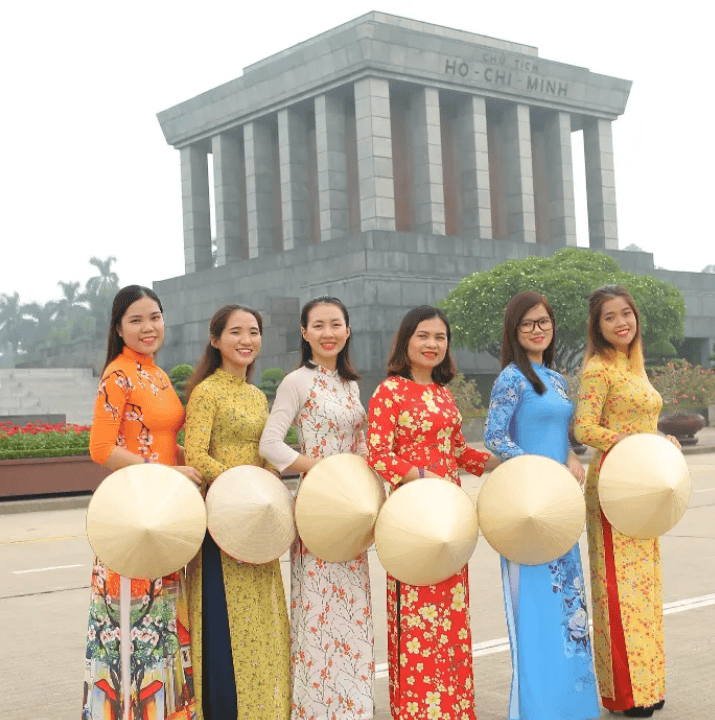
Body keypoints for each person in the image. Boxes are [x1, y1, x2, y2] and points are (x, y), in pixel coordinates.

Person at [366, 305, 500, 720]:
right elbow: (378, 454)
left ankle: (454, 707)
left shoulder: (442, 393)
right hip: (412, 517)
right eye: (423, 336)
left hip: (450, 516)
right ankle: (420, 710)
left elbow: (457, 451)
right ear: (406, 340)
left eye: (440, 337)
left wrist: (496, 462)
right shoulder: (389, 391)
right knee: (417, 613)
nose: (432, 344)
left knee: (451, 612)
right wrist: (420, 475)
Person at [83, 284, 203, 720]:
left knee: (163, 624)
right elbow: (100, 448)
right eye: (136, 320)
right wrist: (167, 473)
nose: (148, 327)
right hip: (134, 515)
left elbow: (167, 441)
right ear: (118, 328)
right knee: (133, 626)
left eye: (154, 317)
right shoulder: (118, 374)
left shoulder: (157, 373)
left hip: (165, 513)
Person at [483, 291, 600, 720]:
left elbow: (563, 435)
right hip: (527, 508)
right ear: (515, 332)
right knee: (534, 609)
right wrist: (537, 468)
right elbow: (496, 438)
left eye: (544, 322)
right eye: (529, 323)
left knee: (569, 605)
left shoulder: (556, 379)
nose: (538, 329)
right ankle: (537, 709)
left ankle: (572, 705)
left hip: (559, 509)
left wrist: (570, 457)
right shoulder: (511, 379)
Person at [257, 297, 373, 720]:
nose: (329, 333)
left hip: (352, 506)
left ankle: (353, 705)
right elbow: (270, 445)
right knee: (319, 607)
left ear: (348, 330)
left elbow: (360, 444)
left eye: (336, 324)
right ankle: (318, 708)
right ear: (304, 334)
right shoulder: (296, 382)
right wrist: (323, 468)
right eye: (318, 325)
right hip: (319, 505)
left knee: (352, 606)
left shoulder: (350, 385)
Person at [183, 304, 290, 720]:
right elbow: (195, 454)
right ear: (215, 340)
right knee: (224, 617)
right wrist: (239, 489)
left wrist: (263, 483)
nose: (246, 340)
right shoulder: (206, 392)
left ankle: (263, 706)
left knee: (260, 615)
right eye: (236, 332)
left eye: (254, 332)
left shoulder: (255, 394)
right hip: (223, 518)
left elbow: (266, 450)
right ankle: (225, 708)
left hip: (256, 519)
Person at [573, 285, 671, 717]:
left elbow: (644, 421)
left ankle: (649, 683)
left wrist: (659, 439)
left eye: (626, 313)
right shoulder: (599, 368)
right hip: (614, 484)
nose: (621, 322)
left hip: (643, 484)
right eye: (610, 317)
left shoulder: (636, 367)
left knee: (646, 588)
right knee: (617, 588)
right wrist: (629, 442)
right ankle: (625, 693)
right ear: (598, 327)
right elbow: (584, 428)